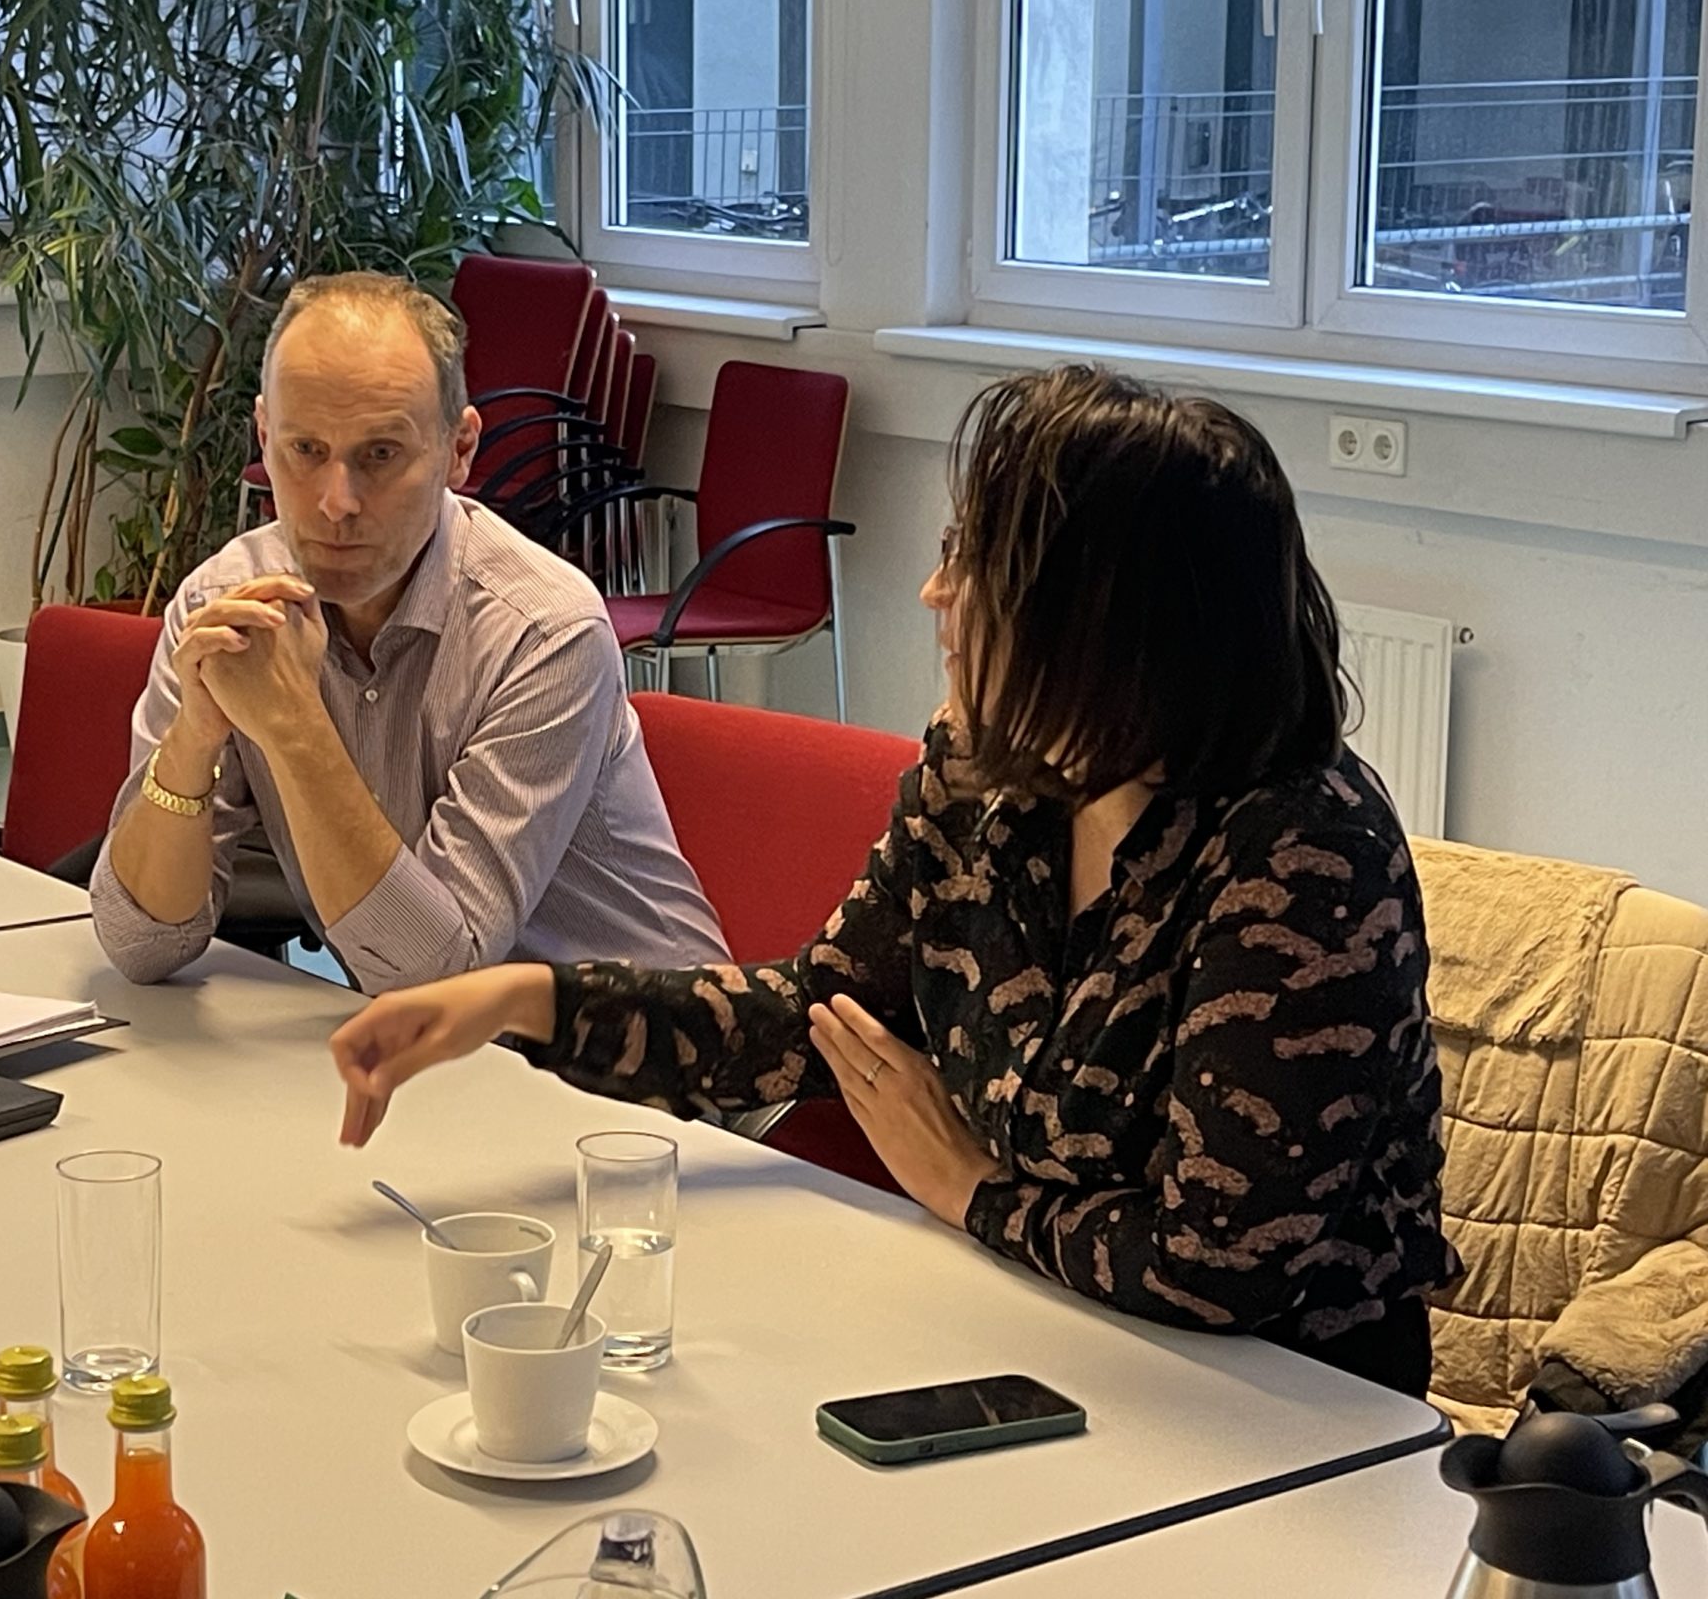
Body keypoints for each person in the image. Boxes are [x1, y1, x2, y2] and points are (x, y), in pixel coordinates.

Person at [326, 364, 1459, 1395]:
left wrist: (968, 1188)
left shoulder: (1302, 856)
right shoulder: (984, 774)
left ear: (1104, 619)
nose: (933, 592)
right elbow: (816, 1017)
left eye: (977, 565)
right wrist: (526, 999)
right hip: (1036, 1327)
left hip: (1286, 1409)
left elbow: (1218, 1266)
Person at [92, 271, 727, 993]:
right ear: (264, 437)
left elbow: (436, 973)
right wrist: (194, 738)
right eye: (305, 450)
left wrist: (292, 726)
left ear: (460, 449)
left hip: (639, 1042)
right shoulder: (224, 603)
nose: (337, 502)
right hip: (433, 1040)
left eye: (381, 455)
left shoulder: (545, 631)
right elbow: (140, 945)